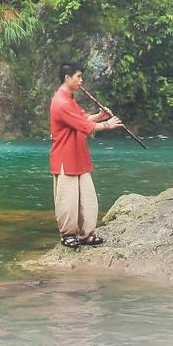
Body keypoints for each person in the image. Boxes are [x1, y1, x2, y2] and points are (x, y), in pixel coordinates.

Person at [49, 62, 124, 248]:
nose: (81, 81)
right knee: (67, 199)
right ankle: (67, 235)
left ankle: (87, 234)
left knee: (88, 198)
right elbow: (84, 126)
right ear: (67, 78)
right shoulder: (60, 102)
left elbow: (83, 118)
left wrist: (99, 116)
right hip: (65, 157)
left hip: (78, 155)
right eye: (78, 77)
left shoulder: (70, 99)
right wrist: (107, 125)